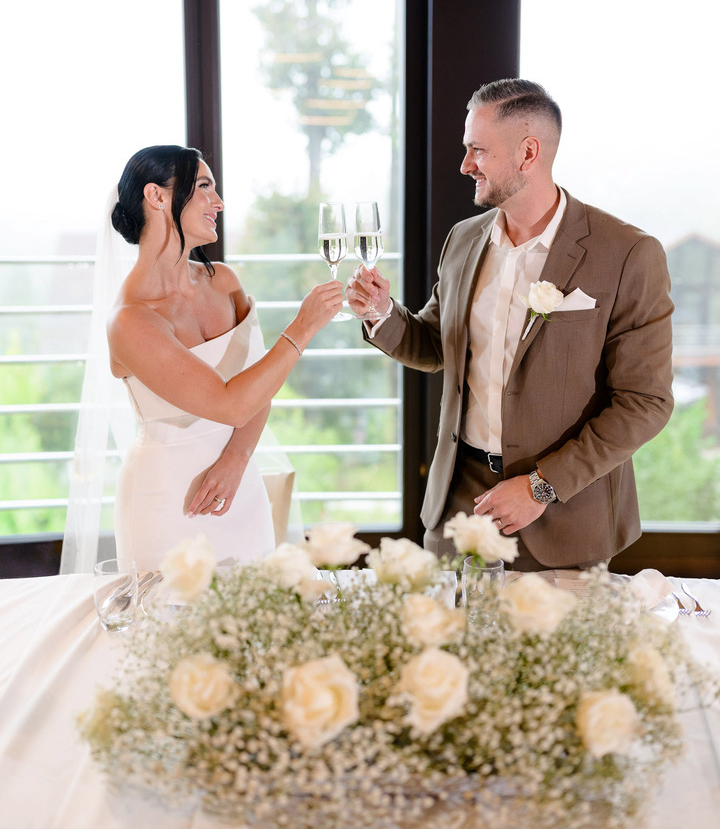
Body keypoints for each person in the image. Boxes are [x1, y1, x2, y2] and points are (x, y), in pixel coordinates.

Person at [346, 79, 674, 571]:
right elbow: (437, 345)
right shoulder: (463, 240)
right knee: (446, 646)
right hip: (459, 507)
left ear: (528, 152)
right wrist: (381, 312)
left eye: (477, 150)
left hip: (566, 513)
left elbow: (645, 403)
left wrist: (543, 486)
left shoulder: (627, 253)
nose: (464, 165)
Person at [107, 145, 344, 569]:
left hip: (240, 487)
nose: (218, 203)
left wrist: (236, 460)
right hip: (170, 501)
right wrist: (303, 327)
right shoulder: (131, 320)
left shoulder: (224, 282)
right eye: (204, 187)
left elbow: (259, 384)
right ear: (157, 197)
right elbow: (231, 402)